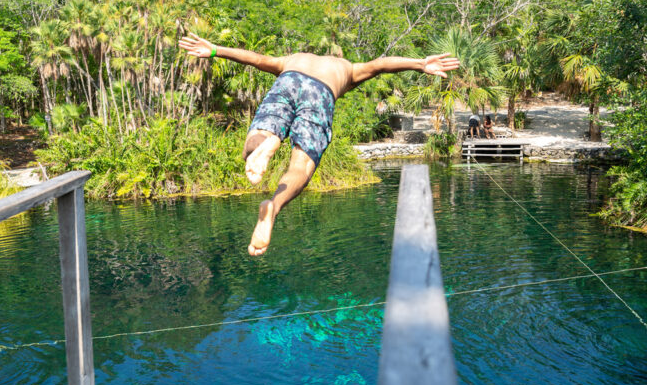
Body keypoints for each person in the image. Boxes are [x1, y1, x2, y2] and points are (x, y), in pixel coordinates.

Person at [178, 32, 460, 256]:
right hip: (321, 92)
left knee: (255, 141)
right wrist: (420, 64)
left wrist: (215, 49)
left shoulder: (293, 58)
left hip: (287, 80)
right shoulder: (347, 69)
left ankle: (271, 140)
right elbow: (380, 65)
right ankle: (273, 208)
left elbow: (255, 58)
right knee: (302, 165)